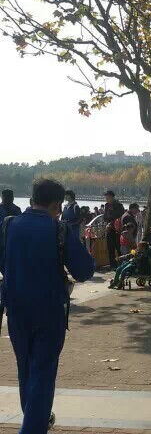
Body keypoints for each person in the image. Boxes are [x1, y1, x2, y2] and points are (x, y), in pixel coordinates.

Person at [0, 179, 95, 433]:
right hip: (49, 310)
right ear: (57, 205)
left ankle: (35, 417)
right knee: (43, 371)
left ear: (32, 199)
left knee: (25, 368)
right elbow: (84, 270)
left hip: (16, 310)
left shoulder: (8, 225)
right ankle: (33, 426)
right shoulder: (58, 229)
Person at [104, 190, 125, 269]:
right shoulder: (106, 205)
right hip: (109, 229)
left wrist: (112, 223)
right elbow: (105, 216)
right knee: (110, 248)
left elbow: (120, 217)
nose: (106, 199)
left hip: (117, 230)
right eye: (106, 197)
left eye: (107, 197)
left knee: (118, 247)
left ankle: (121, 264)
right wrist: (107, 222)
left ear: (112, 197)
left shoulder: (119, 205)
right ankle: (112, 265)